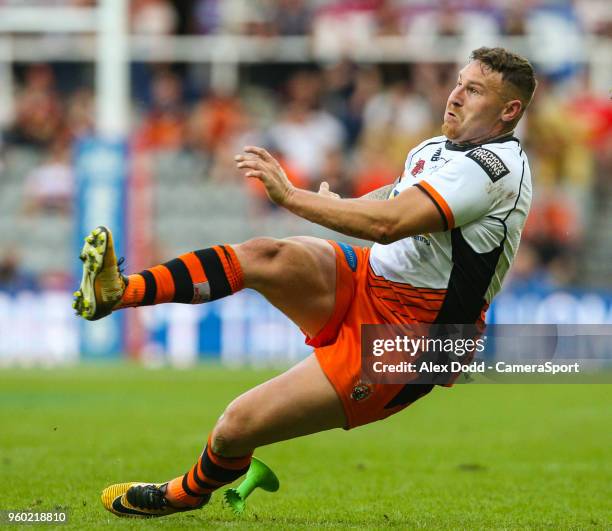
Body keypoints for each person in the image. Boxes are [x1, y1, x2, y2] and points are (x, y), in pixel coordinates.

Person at [74, 47, 536, 518]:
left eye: (473, 90)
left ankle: (184, 494)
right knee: (265, 255)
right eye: (458, 82)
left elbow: (389, 223)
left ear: (509, 110)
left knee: (237, 426)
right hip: (370, 280)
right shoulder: (436, 147)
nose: (454, 96)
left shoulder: (495, 169)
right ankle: (119, 291)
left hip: (415, 338)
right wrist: (344, 201)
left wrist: (292, 197)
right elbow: (395, 196)